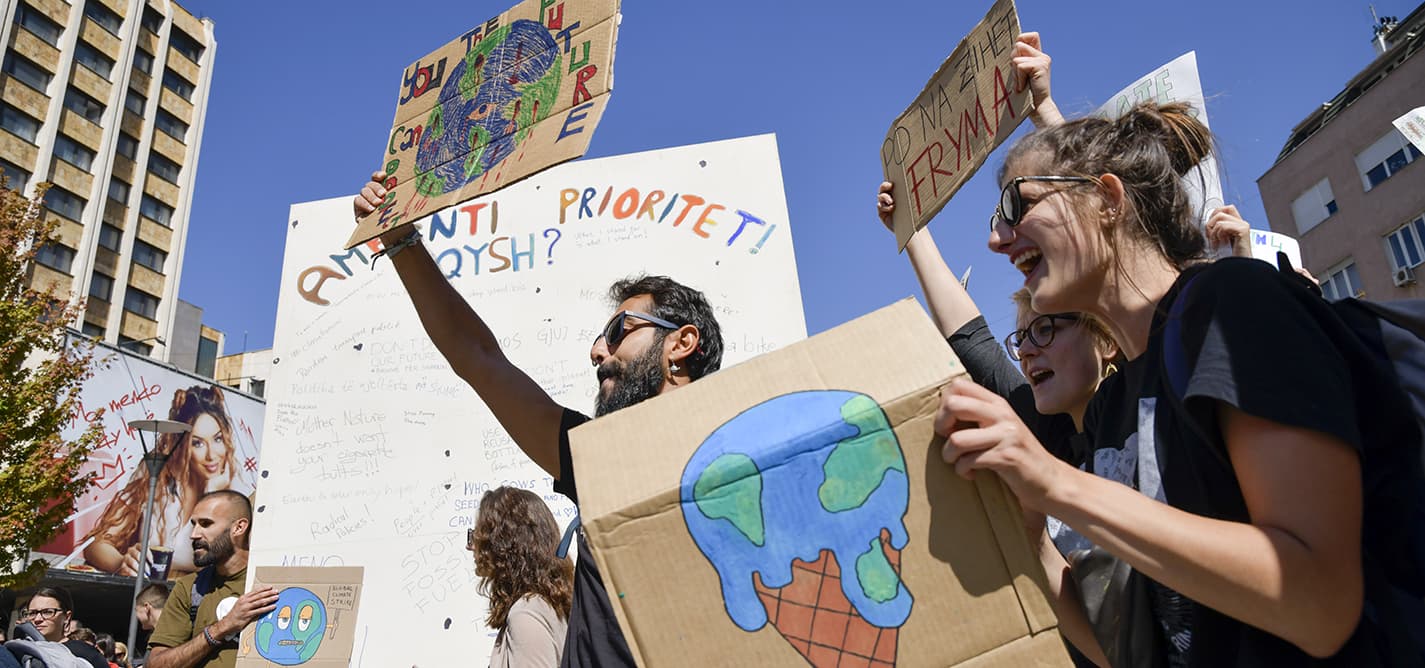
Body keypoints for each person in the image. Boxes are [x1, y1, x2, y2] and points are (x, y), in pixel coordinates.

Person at [933, 101, 1425, 665]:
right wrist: (1031, 537)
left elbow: (1319, 603)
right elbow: (1126, 647)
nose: (998, 239)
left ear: (1108, 199)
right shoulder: (1111, 407)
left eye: (1017, 205)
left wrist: (1054, 482)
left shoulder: (1231, 304)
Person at [353, 178, 725, 668]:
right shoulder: (595, 456)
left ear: (681, 343)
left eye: (619, 332)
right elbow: (478, 358)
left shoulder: (754, 460)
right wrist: (399, 241)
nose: (597, 351)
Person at [84, 386, 255, 576]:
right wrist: (124, 563)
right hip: (149, 594)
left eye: (217, 439)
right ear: (182, 444)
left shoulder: (241, 493)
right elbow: (96, 545)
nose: (211, 454)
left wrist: (214, 493)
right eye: (197, 443)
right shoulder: (157, 479)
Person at [147, 490, 279, 668]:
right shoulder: (190, 588)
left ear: (239, 528)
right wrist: (223, 627)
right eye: (194, 524)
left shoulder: (275, 581)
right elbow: (156, 665)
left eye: (206, 524)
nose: (194, 534)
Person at [470, 486, 574, 668]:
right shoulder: (551, 603)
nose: (471, 546)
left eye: (478, 536)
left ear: (502, 546)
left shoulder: (526, 615)